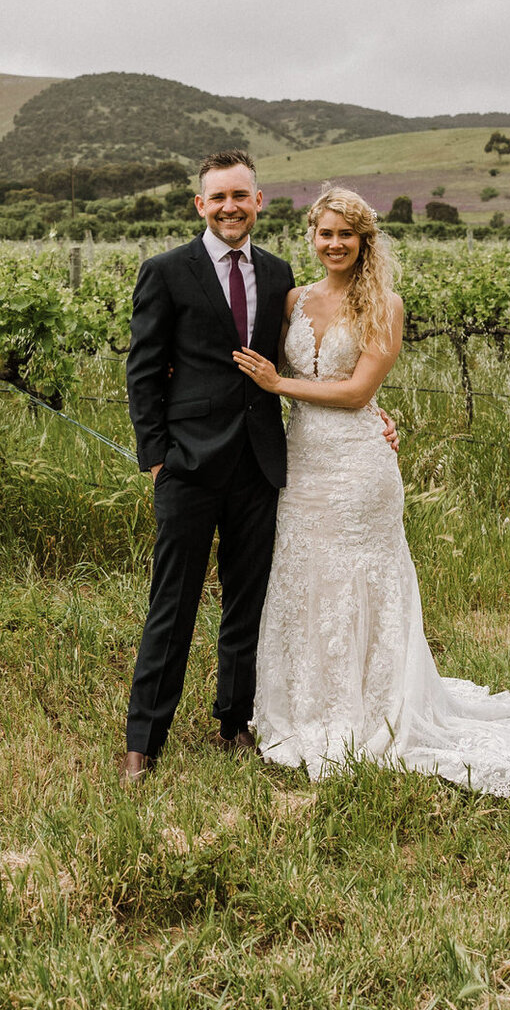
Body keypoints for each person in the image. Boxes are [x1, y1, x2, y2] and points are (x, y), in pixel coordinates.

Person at [230, 186, 510, 796]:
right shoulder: (294, 298)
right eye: (325, 233)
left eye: (347, 234)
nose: (335, 244)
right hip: (302, 466)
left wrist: (276, 385)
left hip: (358, 470)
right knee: (304, 576)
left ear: (364, 241)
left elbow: (355, 393)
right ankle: (304, 707)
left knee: (364, 580)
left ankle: (376, 709)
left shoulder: (385, 305)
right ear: (312, 238)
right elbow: (283, 367)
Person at [120, 153, 396, 781]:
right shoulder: (165, 272)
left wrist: (376, 413)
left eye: (240, 196)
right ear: (200, 205)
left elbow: (309, 367)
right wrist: (157, 460)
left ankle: (233, 723)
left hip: (263, 465)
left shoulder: (279, 276)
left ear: (259, 200)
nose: (229, 207)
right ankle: (143, 741)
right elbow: (142, 373)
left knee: (249, 602)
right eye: (218, 197)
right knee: (174, 602)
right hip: (187, 467)